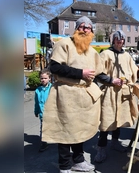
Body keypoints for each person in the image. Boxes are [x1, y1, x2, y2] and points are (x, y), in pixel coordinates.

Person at [42, 16, 104, 173]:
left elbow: (99, 73)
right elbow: (55, 68)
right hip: (66, 94)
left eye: (88, 27)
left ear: (92, 31)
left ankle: (78, 160)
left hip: (83, 96)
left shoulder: (91, 51)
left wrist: (114, 80)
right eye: (81, 27)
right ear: (76, 28)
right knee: (65, 130)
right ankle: (64, 166)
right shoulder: (64, 44)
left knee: (79, 129)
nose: (84, 30)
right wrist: (80, 73)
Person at [94, 30, 139, 163]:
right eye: (117, 39)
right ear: (113, 40)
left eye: (122, 39)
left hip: (124, 92)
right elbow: (98, 73)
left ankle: (114, 142)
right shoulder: (106, 54)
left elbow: (134, 70)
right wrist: (112, 80)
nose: (120, 41)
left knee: (119, 119)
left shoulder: (127, 55)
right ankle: (101, 148)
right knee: (106, 120)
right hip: (110, 92)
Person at [34, 69, 52, 152]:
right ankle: (44, 143)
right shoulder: (38, 90)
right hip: (42, 113)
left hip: (52, 113)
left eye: (45, 78)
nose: (43, 80)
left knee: (55, 127)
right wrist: (36, 111)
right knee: (43, 128)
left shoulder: (52, 88)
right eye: (41, 78)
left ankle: (60, 142)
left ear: (49, 79)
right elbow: (37, 102)